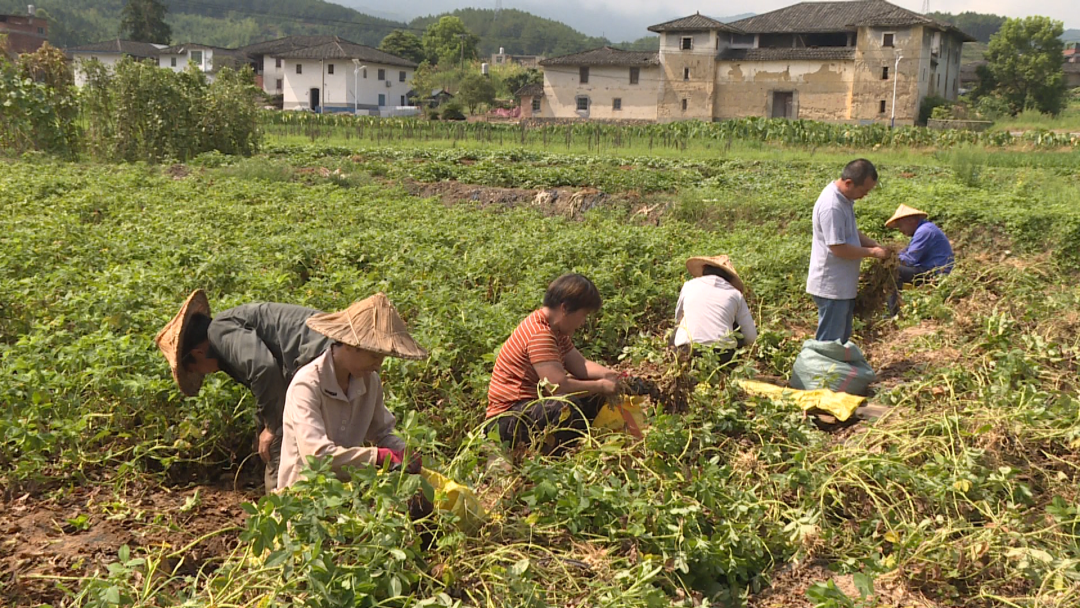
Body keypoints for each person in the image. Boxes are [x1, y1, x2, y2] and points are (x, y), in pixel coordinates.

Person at [155, 290, 333, 493]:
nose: (201, 374)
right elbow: (269, 388)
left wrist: (272, 429)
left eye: (193, 369)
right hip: (329, 354)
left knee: (279, 453)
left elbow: (264, 369)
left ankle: (282, 518)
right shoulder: (228, 339)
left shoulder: (220, 331)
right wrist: (261, 429)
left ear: (198, 353)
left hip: (319, 355)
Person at [277, 292, 428, 490]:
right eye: (374, 355)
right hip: (303, 497)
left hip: (346, 495)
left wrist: (403, 451)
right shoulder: (307, 385)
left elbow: (381, 432)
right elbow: (317, 456)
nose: (378, 365)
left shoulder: (369, 381)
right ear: (349, 345)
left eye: (382, 357)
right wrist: (378, 456)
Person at [486, 273, 622, 453]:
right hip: (506, 420)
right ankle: (554, 459)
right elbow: (558, 387)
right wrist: (601, 386)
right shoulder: (539, 334)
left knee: (591, 396)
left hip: (526, 409)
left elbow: (581, 365)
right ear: (565, 308)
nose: (582, 323)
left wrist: (613, 377)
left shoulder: (555, 330)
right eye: (583, 315)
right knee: (564, 408)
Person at [806, 159, 890, 343]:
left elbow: (850, 231)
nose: (864, 195)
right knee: (830, 343)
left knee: (840, 340)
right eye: (863, 191)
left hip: (842, 286)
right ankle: (823, 371)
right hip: (831, 287)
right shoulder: (832, 206)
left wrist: (874, 244)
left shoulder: (845, 199)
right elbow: (838, 248)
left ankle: (834, 371)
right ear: (849, 183)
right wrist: (873, 252)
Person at [672, 255, 757, 365]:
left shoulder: (689, 286)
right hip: (721, 355)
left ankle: (677, 363)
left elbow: (677, 318)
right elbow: (751, 337)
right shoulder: (735, 294)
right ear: (729, 278)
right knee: (736, 327)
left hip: (687, 350)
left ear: (704, 270)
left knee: (680, 325)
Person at [885, 204, 955, 315]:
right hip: (930, 269)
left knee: (892, 271)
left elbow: (909, 259)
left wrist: (888, 258)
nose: (901, 230)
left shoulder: (924, 231)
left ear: (910, 220)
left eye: (900, 226)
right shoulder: (925, 229)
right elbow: (906, 252)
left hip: (935, 273)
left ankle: (892, 314)